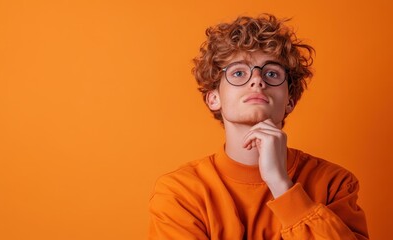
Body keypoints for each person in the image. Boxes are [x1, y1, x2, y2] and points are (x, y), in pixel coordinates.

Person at [148, 14, 369, 239]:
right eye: (238, 73)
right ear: (214, 98)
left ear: (289, 101)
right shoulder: (180, 192)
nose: (257, 80)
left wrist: (280, 184)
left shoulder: (335, 184)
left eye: (272, 73)